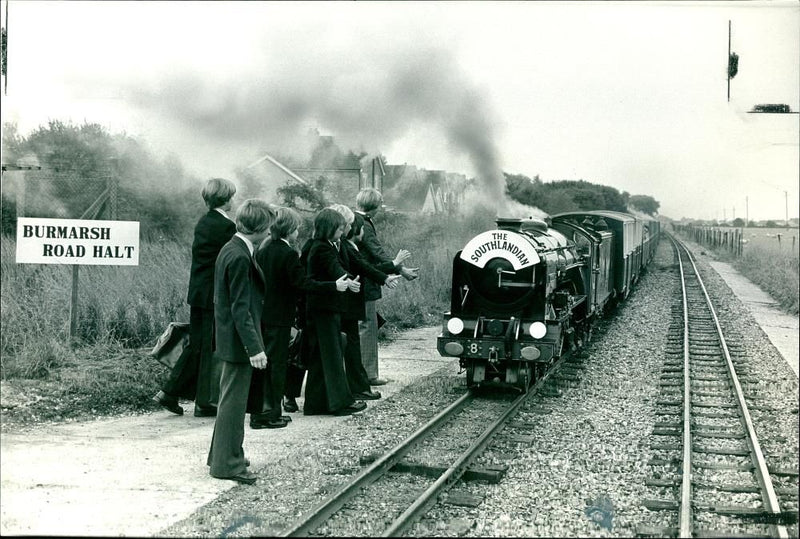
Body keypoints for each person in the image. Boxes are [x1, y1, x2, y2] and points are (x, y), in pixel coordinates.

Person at [251, 207, 353, 428]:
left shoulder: (263, 250)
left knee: (266, 366)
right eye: (296, 229)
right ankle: (270, 415)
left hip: (264, 313)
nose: (298, 233)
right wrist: (333, 286)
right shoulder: (287, 253)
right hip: (280, 316)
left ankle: (265, 410)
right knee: (277, 365)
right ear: (289, 230)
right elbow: (302, 283)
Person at [154, 177, 236, 417]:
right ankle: (198, 400)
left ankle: (173, 392)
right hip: (214, 295)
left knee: (199, 344)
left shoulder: (203, 222)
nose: (233, 199)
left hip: (199, 292)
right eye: (231, 196)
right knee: (207, 345)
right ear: (226, 198)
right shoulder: (226, 227)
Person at [206, 199, 275, 485]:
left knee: (229, 404)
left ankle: (224, 455)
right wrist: (254, 348)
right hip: (238, 344)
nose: (270, 233)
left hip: (229, 340)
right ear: (259, 229)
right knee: (233, 406)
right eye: (268, 228)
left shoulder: (231, 249)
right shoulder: (240, 257)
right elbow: (241, 309)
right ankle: (227, 465)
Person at [302, 208, 366, 416]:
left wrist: (347, 281)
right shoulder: (322, 248)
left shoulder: (323, 245)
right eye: (339, 228)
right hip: (324, 309)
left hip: (322, 308)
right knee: (332, 356)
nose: (342, 232)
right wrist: (342, 283)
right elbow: (333, 270)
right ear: (329, 229)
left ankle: (315, 403)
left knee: (321, 358)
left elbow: (337, 269)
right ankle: (339, 403)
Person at [338, 210, 407, 399]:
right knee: (362, 332)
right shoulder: (349, 247)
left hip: (355, 293)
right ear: (356, 230)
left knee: (355, 334)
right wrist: (394, 265)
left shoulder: (344, 245)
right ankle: (363, 378)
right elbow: (365, 266)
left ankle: (358, 378)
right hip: (355, 295)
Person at [354, 187, 418, 386]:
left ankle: (359, 373)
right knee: (367, 328)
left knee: (359, 327)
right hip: (365, 283)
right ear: (375, 207)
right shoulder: (364, 223)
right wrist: (401, 268)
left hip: (356, 281)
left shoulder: (353, 219)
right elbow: (376, 252)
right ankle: (369, 374)